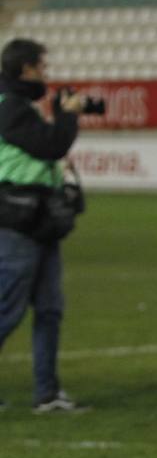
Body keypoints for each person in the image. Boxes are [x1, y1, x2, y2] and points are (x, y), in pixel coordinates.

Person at [0, 38, 88, 413]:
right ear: (25, 69)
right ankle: (46, 391)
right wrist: (68, 115)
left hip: (40, 221)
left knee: (49, 310)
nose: (46, 74)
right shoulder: (9, 108)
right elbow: (50, 146)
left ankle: (47, 393)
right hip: (17, 221)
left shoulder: (20, 107)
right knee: (7, 310)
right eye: (42, 67)